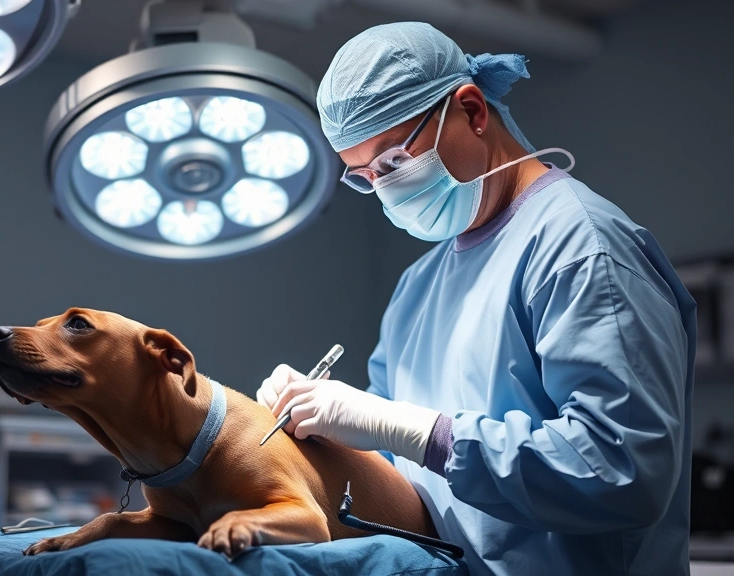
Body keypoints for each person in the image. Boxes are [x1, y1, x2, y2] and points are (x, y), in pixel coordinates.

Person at [255, 22, 696, 576]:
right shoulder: (420, 286)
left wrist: (420, 432)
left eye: (392, 161)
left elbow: (621, 468)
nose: (386, 188)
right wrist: (314, 434)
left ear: (472, 111)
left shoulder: (582, 248)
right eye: (365, 177)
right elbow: (391, 475)